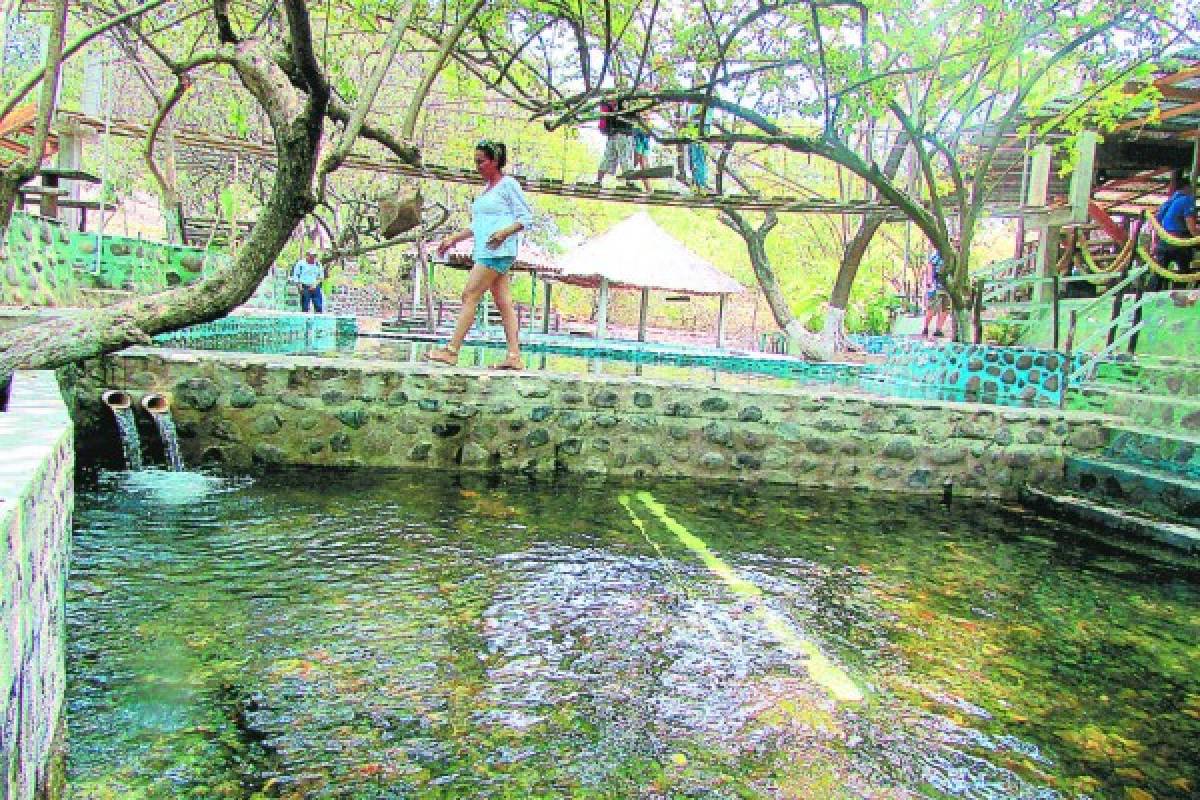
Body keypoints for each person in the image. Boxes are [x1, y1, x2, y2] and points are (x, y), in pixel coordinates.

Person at [426, 140, 533, 371]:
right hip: (485, 250)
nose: (477, 166)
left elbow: (526, 218)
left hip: (497, 251)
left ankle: (452, 351)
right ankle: (514, 356)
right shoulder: (487, 191)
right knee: (504, 303)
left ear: (494, 161)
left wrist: (504, 233)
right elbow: (477, 225)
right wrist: (453, 239)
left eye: (481, 161)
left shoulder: (508, 185)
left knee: (470, 295)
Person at [1152, 176, 1198, 289]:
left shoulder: (1168, 202)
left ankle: (1149, 297)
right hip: (1179, 242)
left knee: (1159, 275)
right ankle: (1180, 297)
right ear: (1187, 187)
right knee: (1184, 272)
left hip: (1163, 242)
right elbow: (1192, 228)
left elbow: (1156, 223)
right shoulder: (1187, 199)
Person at [596, 95, 635, 187]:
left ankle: (598, 181)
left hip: (612, 134)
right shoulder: (625, 101)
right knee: (625, 157)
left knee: (608, 157)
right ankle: (629, 182)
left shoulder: (609, 103)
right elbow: (631, 116)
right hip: (623, 133)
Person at [921, 249, 951, 337]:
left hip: (948, 286)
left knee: (945, 308)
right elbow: (930, 264)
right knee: (931, 308)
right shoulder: (940, 251)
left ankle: (939, 329)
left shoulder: (956, 254)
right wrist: (929, 280)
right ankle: (925, 327)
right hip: (935, 285)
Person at [290, 248, 324, 313]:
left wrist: (315, 284)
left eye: (314, 256)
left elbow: (321, 276)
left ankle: (318, 320)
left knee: (318, 306)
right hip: (304, 287)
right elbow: (296, 275)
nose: (313, 258)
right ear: (307, 256)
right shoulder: (301, 264)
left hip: (315, 287)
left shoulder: (318, 264)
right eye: (311, 256)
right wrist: (299, 286)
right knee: (305, 307)